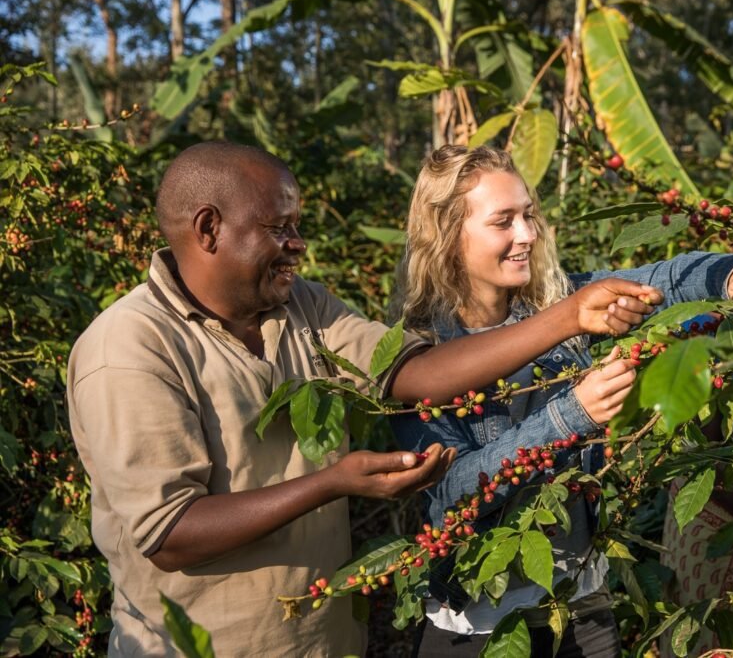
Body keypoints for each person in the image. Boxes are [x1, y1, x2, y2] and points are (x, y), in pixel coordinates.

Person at [66, 142, 666, 657]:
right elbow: (170, 534)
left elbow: (418, 373)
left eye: (296, 225)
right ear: (208, 229)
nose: (298, 244)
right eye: (279, 228)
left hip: (323, 638)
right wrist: (334, 482)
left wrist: (565, 318)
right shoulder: (128, 348)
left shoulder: (301, 306)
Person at [389, 145, 733, 657]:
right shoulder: (416, 357)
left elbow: (662, 280)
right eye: (502, 221)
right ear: (447, 235)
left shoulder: (560, 302)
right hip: (477, 625)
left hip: (582, 604)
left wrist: (732, 273)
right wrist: (573, 414)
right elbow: (453, 496)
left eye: (529, 215)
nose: (527, 235)